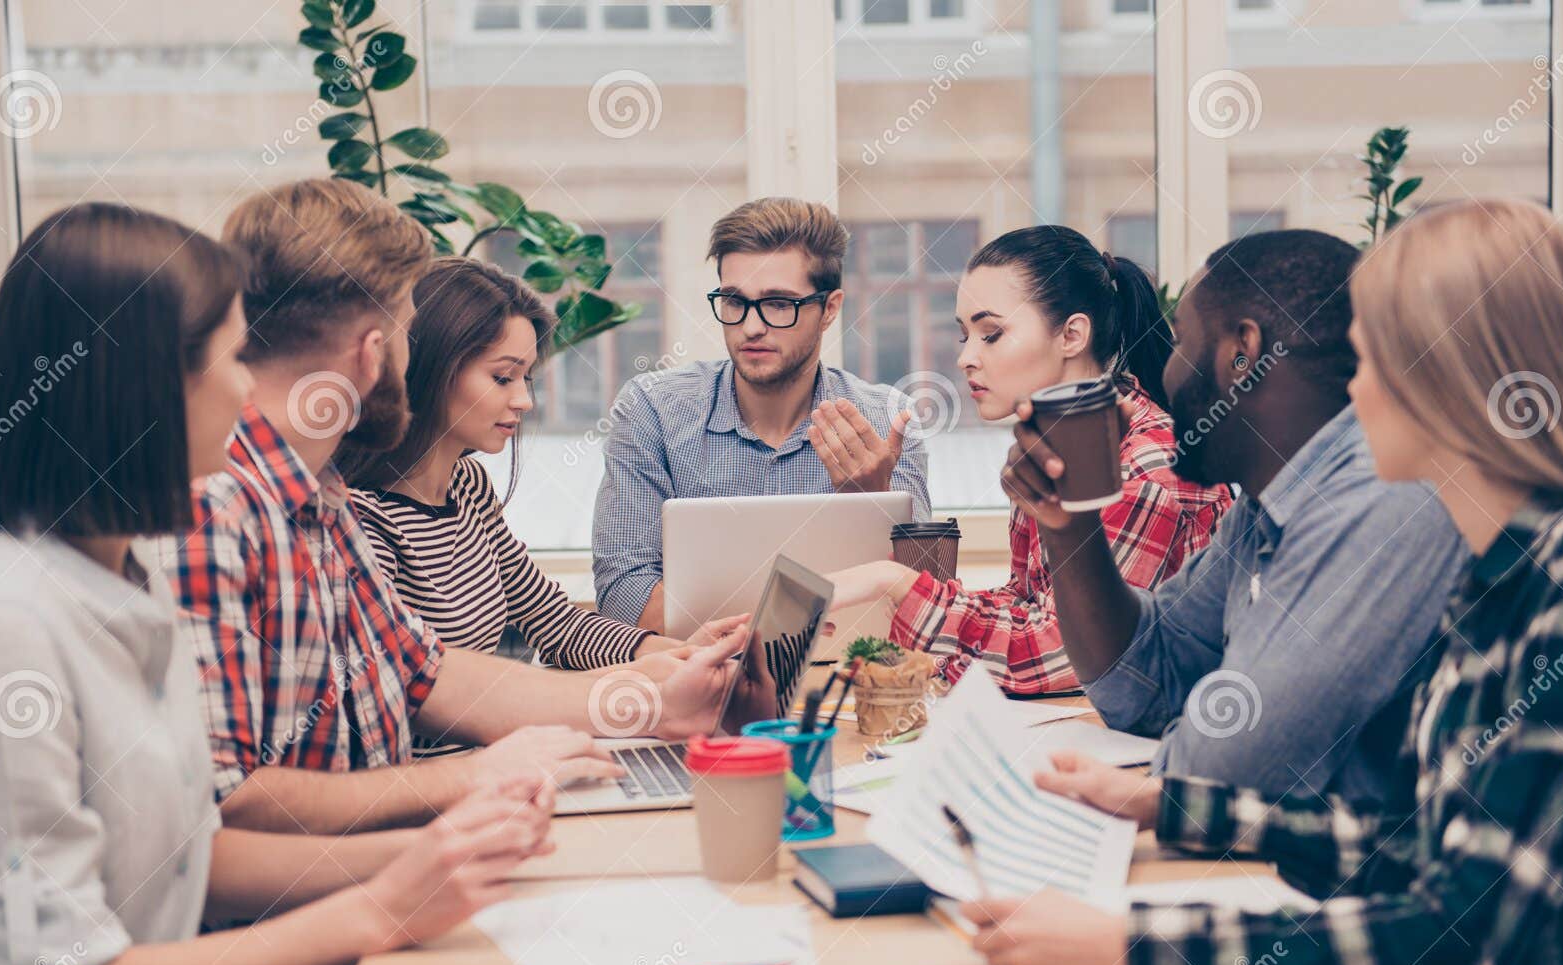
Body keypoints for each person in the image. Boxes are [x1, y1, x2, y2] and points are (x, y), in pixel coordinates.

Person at [963, 198, 1563, 965]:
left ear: (1459, 380)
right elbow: (1424, 846)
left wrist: (1133, 946)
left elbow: (1466, 936)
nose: (1354, 387)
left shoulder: (1552, 593)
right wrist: (1168, 806)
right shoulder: (1499, 573)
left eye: (1378, 359)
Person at [0, 203, 555, 965]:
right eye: (229, 359)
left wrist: (438, 856)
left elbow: (188, 857)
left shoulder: (133, 576)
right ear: (145, 387)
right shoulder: (8, 624)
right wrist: (380, 905)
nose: (251, 388)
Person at [170, 179, 746, 836]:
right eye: (406, 331)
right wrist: (477, 779)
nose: (522, 399)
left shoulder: (317, 494)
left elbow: (428, 672)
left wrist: (651, 690)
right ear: (375, 349)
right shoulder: (221, 503)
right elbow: (227, 806)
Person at [1000, 229, 1468, 805]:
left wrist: (1181, 746)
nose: (1165, 373)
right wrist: (1069, 523)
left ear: (1242, 353)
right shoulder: (1265, 505)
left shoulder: (1373, 501)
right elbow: (1142, 681)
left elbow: (1228, 766)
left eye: (1178, 343)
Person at [340, 258, 745, 756]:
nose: (524, 401)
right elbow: (405, 694)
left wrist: (676, 653)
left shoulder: (466, 486)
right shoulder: (364, 519)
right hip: (441, 786)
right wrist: (642, 687)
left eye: (526, 378)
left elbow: (554, 622)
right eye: (503, 377)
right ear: (432, 370)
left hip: (492, 762)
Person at [823, 226, 1233, 696]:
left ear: (1072, 335)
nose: (966, 359)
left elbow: (1063, 654)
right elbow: (1026, 606)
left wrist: (893, 582)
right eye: (964, 336)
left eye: (991, 334)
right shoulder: (1058, 448)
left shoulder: (1145, 469)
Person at [592, 197, 932, 632]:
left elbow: (929, 606)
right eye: (735, 301)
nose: (751, 326)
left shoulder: (885, 420)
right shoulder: (652, 409)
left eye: (777, 304)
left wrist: (874, 502)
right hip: (699, 679)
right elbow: (622, 590)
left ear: (829, 309)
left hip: (849, 679)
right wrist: (764, 633)